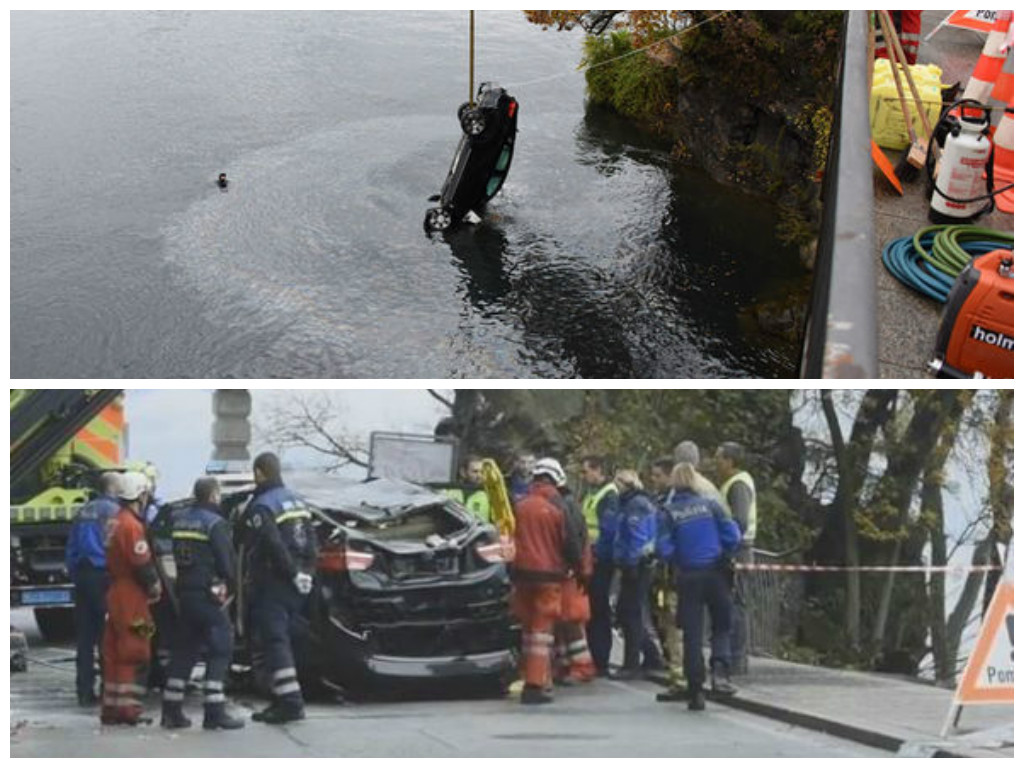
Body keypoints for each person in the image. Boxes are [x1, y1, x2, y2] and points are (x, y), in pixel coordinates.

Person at [161, 477, 244, 730]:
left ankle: (171, 711)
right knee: (221, 647)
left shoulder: (180, 520)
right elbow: (226, 563)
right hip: (208, 596)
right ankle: (214, 712)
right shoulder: (215, 524)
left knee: (185, 651)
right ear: (213, 496)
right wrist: (232, 588)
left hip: (185, 594)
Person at [242, 452, 318, 724]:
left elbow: (272, 544)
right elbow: (311, 538)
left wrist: (291, 572)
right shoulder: (297, 500)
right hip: (298, 583)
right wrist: (307, 572)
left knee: (275, 640)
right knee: (289, 637)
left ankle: (289, 703)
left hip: (274, 581)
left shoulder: (262, 505)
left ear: (260, 473)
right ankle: (283, 697)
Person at [658, 462, 741, 711]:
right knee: (722, 624)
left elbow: (662, 548)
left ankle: (695, 689)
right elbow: (733, 536)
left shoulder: (668, 512)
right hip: (715, 573)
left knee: (692, 634)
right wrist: (721, 551)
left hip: (688, 576)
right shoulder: (711, 505)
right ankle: (720, 672)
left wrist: (679, 558)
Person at [511, 458, 581, 704]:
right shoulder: (557, 508)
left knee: (529, 631)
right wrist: (577, 569)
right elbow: (572, 543)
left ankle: (527, 676)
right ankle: (536, 684)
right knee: (542, 633)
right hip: (550, 576)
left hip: (521, 576)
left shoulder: (519, 506)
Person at [100, 471, 162, 725]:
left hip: (115, 592)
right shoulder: (132, 526)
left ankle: (112, 708)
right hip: (131, 595)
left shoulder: (114, 521)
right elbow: (141, 562)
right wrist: (154, 585)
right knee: (134, 648)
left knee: (114, 649)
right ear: (140, 495)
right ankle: (128, 710)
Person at [65, 472, 121, 706]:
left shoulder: (83, 511)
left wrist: (76, 573)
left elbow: (71, 548)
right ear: (113, 488)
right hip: (104, 576)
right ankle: (109, 689)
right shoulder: (114, 512)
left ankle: (84, 691)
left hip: (83, 576)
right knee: (108, 636)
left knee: (85, 639)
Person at [611, 470, 663, 680]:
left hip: (638, 565)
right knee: (628, 611)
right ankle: (650, 656)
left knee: (629, 612)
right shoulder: (633, 502)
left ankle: (631, 663)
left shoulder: (635, 504)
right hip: (636, 564)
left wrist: (631, 563)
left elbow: (637, 536)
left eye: (617, 484)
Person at [551, 467, 596, 685]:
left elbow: (573, 540)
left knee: (571, 619)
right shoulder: (568, 504)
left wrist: (575, 566)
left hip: (570, 572)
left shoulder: (565, 505)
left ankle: (581, 666)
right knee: (563, 619)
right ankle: (568, 664)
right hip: (572, 570)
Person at [716, 442, 757, 675]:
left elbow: (739, 521)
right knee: (734, 604)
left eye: (719, 458)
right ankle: (733, 657)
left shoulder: (738, 485)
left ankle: (736, 659)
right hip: (737, 548)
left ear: (730, 461)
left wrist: (724, 543)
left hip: (738, 550)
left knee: (737, 606)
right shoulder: (734, 483)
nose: (716, 463)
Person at [649, 458, 686, 701]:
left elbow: (665, 543)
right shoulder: (663, 501)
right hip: (671, 574)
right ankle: (679, 676)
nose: (654, 481)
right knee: (668, 624)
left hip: (674, 574)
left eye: (657, 476)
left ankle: (681, 680)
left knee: (676, 627)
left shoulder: (673, 506)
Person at [581, 455, 619, 676]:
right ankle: (594, 657)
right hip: (591, 557)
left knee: (600, 610)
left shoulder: (608, 495)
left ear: (597, 470)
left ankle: (601, 660)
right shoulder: (592, 494)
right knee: (592, 610)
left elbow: (608, 531)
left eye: (586, 472)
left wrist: (596, 554)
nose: (584, 477)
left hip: (600, 560)